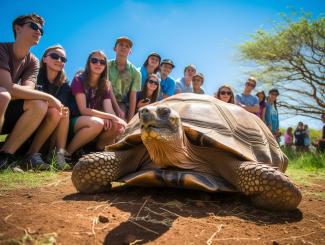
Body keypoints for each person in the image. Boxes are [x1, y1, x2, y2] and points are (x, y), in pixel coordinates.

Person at [0, 13, 62, 170]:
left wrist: (17, 93)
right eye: (33, 26)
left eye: (41, 30)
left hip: (6, 111)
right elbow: (7, 87)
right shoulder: (2, 49)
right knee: (3, 95)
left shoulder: (33, 61)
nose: (39, 31)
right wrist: (49, 97)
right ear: (18, 28)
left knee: (39, 104)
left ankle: (5, 156)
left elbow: (27, 90)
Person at [68, 51, 127, 156]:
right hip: (74, 121)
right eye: (94, 60)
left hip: (93, 119)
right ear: (88, 63)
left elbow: (109, 110)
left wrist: (114, 120)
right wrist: (112, 117)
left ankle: (95, 152)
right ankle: (67, 154)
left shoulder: (105, 85)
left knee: (117, 126)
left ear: (105, 66)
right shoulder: (79, 80)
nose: (98, 64)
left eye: (102, 62)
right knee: (98, 123)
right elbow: (83, 110)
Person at [24, 45, 71, 170]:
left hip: (51, 126)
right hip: (28, 121)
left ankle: (58, 154)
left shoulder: (64, 84)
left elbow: (61, 106)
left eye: (63, 59)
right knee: (55, 111)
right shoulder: (35, 75)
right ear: (44, 59)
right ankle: (31, 155)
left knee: (64, 112)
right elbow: (27, 97)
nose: (59, 60)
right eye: (55, 56)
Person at [108, 37, 141, 122]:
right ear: (115, 48)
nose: (124, 47)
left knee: (121, 122)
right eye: (121, 45)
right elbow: (107, 88)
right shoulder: (106, 65)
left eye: (127, 46)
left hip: (121, 103)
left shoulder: (136, 73)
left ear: (130, 52)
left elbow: (133, 97)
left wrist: (130, 121)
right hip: (105, 99)